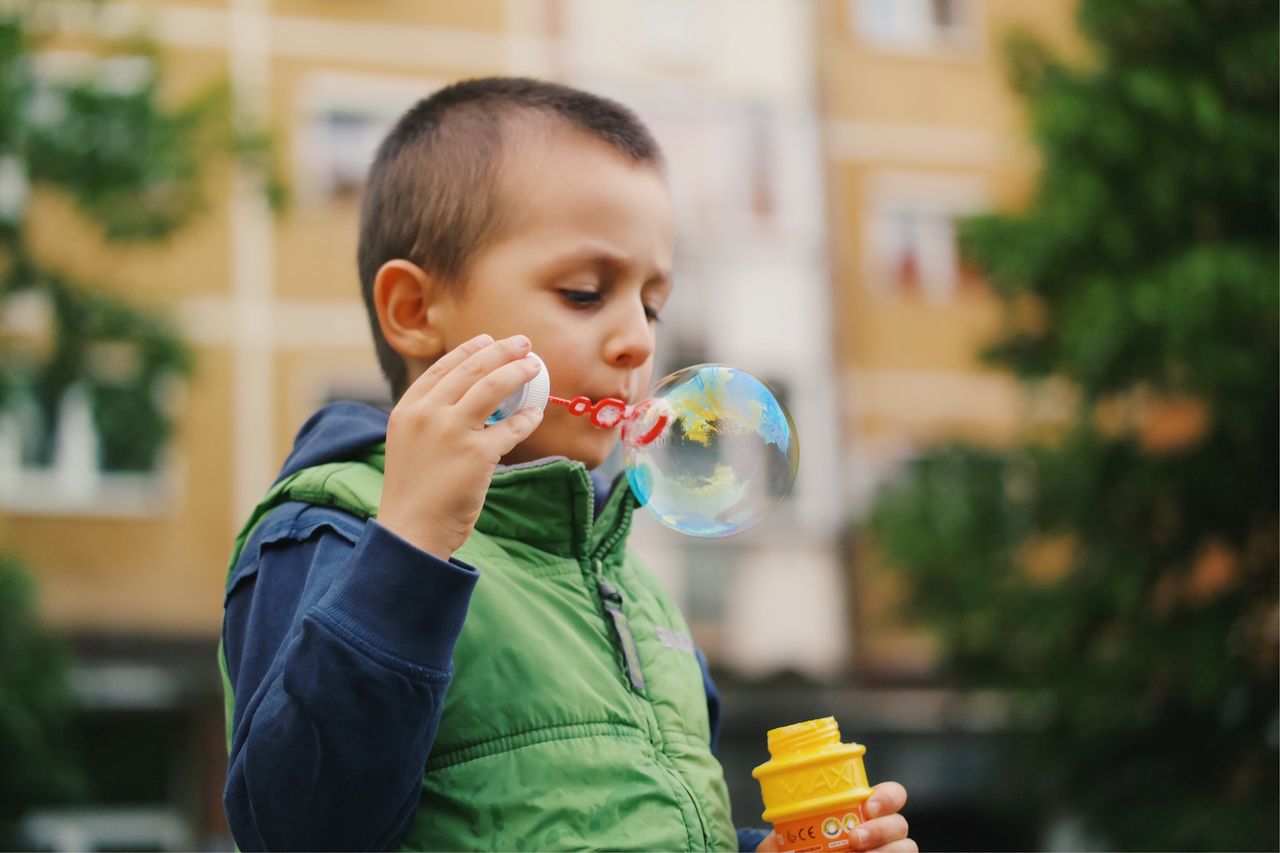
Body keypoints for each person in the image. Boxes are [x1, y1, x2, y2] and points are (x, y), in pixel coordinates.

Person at [220, 77, 916, 853]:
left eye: (651, 305)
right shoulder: (338, 532)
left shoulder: (628, 580)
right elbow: (300, 830)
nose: (639, 341)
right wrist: (411, 543)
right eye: (586, 293)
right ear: (416, 311)